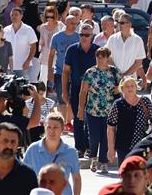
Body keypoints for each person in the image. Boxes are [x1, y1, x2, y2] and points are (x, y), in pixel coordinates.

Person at [78, 46, 120, 173]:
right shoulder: (90, 72)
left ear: (108, 58)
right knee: (94, 137)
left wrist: (118, 89)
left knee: (106, 137)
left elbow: (121, 86)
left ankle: (103, 162)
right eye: (98, 56)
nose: (100, 59)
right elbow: (83, 91)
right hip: (92, 109)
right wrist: (81, 108)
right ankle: (93, 158)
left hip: (109, 110)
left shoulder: (114, 72)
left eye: (103, 57)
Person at [62, 22, 98, 161]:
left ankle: (90, 147)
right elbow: (65, 71)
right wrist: (65, 91)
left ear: (92, 36)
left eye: (87, 35)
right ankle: (79, 148)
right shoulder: (72, 50)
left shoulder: (97, 50)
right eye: (81, 34)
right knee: (78, 118)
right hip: (76, 88)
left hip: (93, 90)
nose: (84, 37)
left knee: (91, 119)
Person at [23, 113, 81, 195]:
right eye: (49, 127)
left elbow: (76, 179)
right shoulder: (33, 149)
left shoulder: (71, 152)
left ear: (62, 129)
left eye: (55, 127)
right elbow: (24, 177)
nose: (51, 131)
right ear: (44, 128)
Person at [107, 76, 152, 164]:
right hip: (123, 146)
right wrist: (111, 149)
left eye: (132, 86)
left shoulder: (145, 101)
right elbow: (111, 128)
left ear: (136, 87)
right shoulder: (118, 104)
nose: (130, 88)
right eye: (127, 86)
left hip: (143, 145)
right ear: (122, 88)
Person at [0, 122, 38, 192]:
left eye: (13, 142)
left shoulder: (28, 175)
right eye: (5, 141)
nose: (9, 146)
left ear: (18, 146)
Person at [48, 14, 79, 123]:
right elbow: (51, 55)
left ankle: (69, 121)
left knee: (72, 98)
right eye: (72, 23)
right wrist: (49, 73)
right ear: (65, 22)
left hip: (74, 72)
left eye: (76, 23)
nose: (74, 25)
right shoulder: (57, 37)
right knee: (61, 98)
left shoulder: (78, 37)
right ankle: (63, 121)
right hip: (60, 71)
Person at [107, 13, 147, 91]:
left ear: (129, 24)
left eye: (122, 23)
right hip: (113, 79)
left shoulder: (137, 40)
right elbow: (108, 58)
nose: (119, 25)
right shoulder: (112, 38)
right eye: (118, 22)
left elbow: (138, 63)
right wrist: (117, 74)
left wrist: (125, 76)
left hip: (130, 81)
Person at [3, 6, 37, 78]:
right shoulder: (5, 30)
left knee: (23, 88)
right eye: (12, 15)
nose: (14, 17)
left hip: (23, 66)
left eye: (16, 15)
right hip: (8, 67)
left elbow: (33, 47)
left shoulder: (28, 29)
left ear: (21, 16)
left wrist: (28, 61)